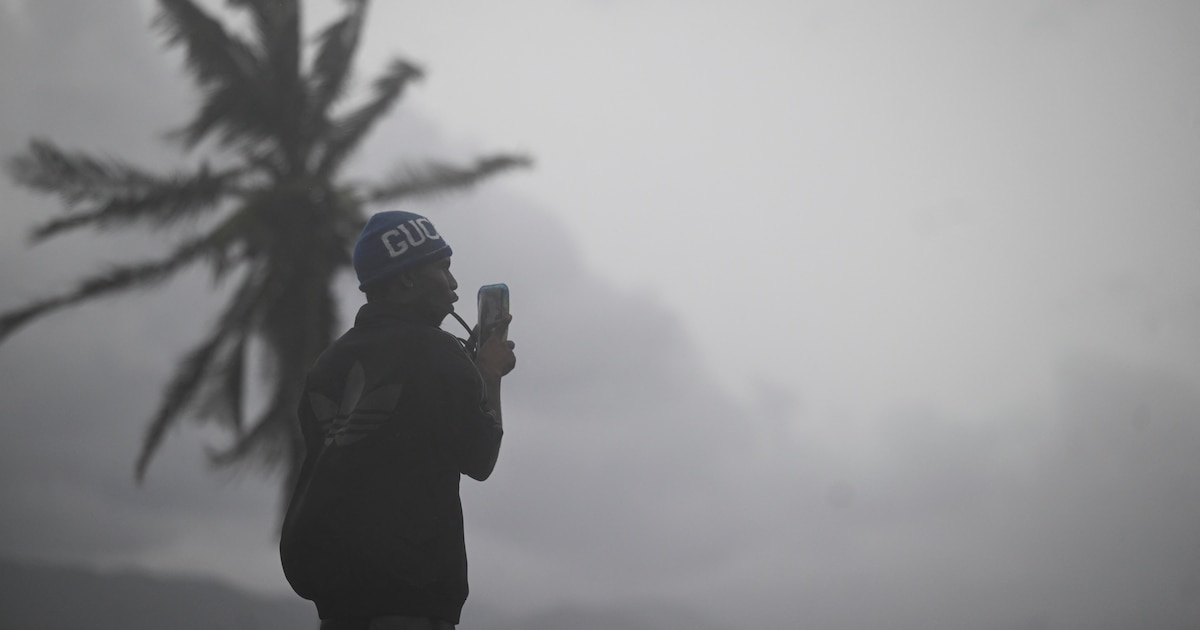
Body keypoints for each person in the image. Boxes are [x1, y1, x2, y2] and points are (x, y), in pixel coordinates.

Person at [280, 210, 516, 630]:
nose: (455, 284)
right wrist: (489, 374)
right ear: (407, 278)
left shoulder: (327, 366)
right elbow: (480, 457)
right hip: (410, 597)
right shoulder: (439, 353)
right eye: (443, 268)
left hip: (336, 602)